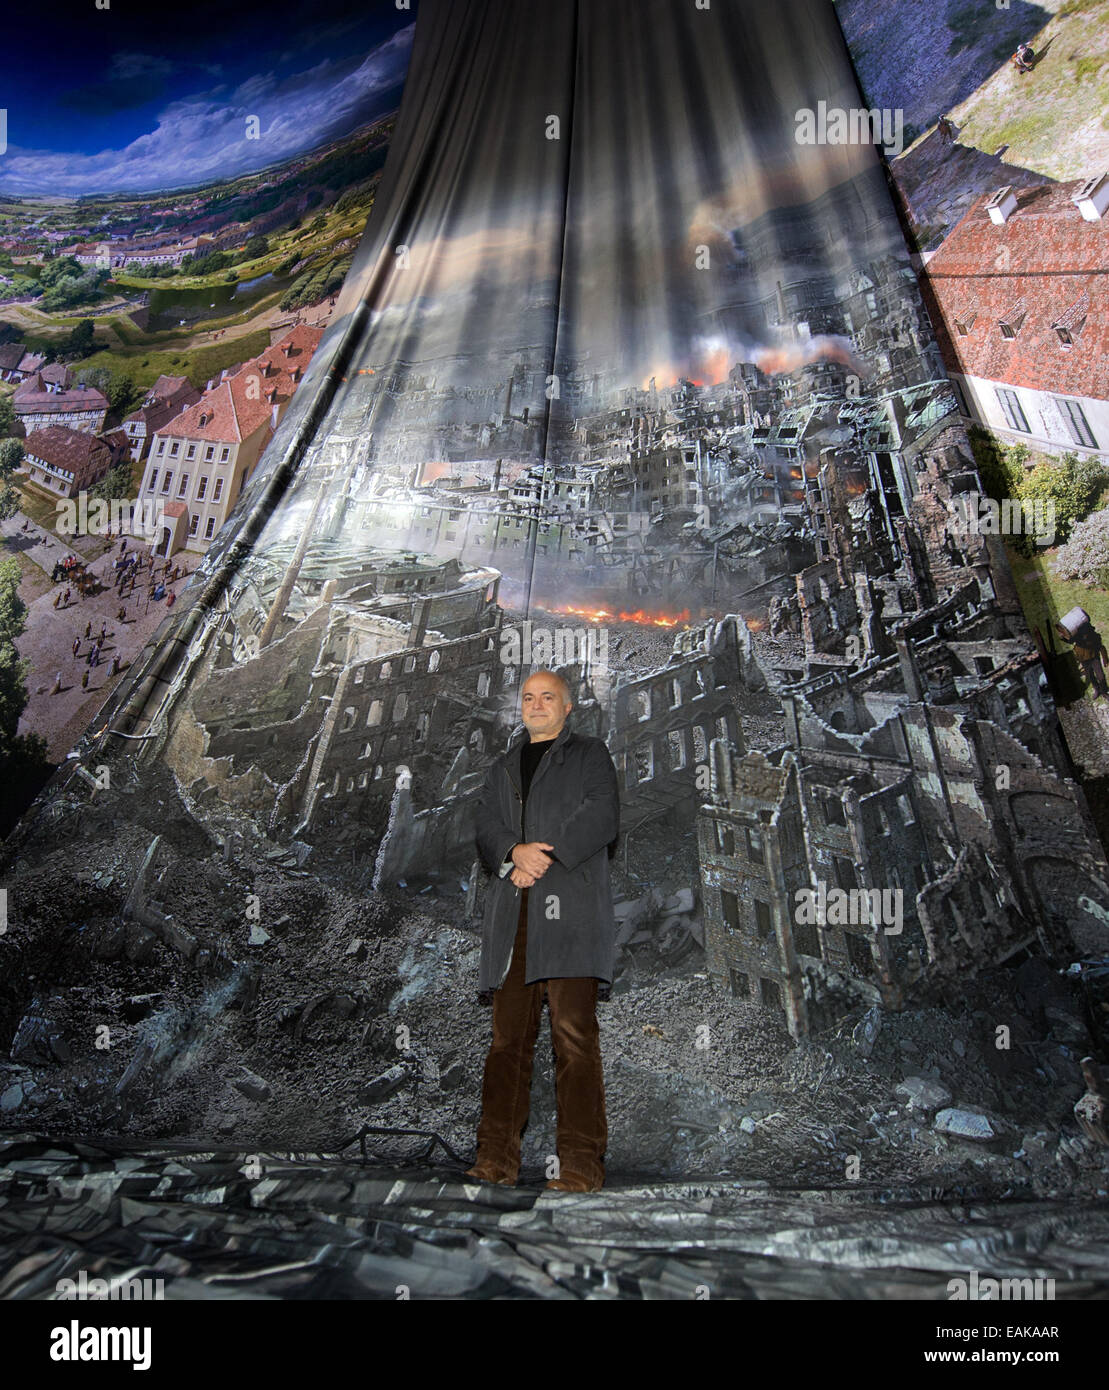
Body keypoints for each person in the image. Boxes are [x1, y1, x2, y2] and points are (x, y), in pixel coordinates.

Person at [467, 669, 620, 1193]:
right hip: (513, 920)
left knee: (573, 1039)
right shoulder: (502, 767)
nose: (536, 704)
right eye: (528, 697)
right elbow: (486, 825)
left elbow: (601, 816)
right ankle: (494, 1160)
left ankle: (580, 1164)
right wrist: (513, 853)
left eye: (547, 696)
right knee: (507, 1041)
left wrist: (539, 857)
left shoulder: (590, 755)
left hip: (570, 916)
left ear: (567, 706)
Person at [1069, 619, 1109, 698]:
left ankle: (1104, 692)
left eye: (1086, 633)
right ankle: (1097, 689)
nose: (1085, 636)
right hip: (1084, 661)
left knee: (1100, 676)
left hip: (1094, 658)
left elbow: (1101, 648)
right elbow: (1074, 648)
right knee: (1090, 676)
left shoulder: (1095, 638)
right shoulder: (1078, 641)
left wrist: (1105, 659)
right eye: (1083, 634)